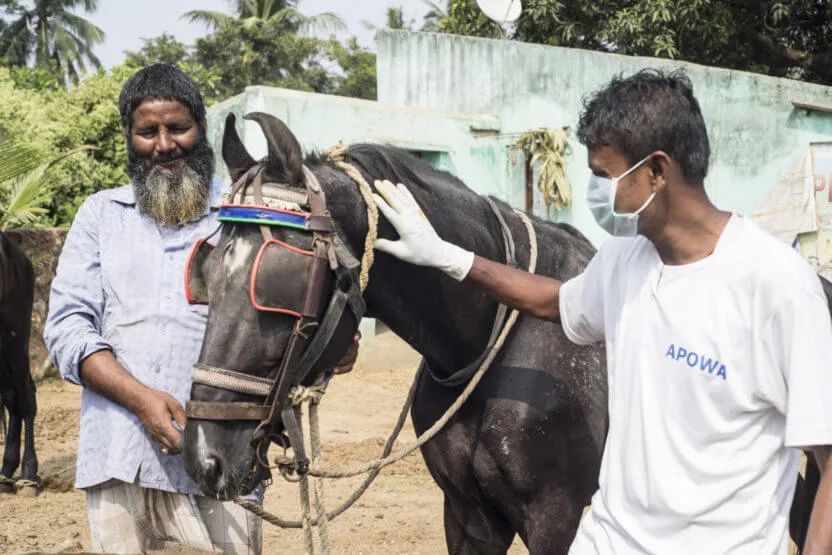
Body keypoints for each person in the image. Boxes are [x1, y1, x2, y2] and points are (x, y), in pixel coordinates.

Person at [371, 69, 832, 554]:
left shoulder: (777, 287)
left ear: (657, 170)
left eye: (602, 176)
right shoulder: (623, 259)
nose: (595, 193)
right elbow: (553, 301)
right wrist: (452, 258)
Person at [44, 64, 357, 554]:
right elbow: (67, 330)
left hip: (228, 457)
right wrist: (140, 399)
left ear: (203, 128)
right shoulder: (100, 216)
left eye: (178, 127)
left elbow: (290, 327)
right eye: (148, 131)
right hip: (121, 454)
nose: (164, 144)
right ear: (129, 136)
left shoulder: (249, 219)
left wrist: (333, 352)